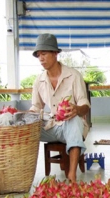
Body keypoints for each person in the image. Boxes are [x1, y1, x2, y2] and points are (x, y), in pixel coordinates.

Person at [30, 33, 90, 182]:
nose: (41, 58)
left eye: (44, 53)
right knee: (25, 128)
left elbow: (85, 105)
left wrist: (77, 109)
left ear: (55, 54)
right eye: (38, 55)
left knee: (75, 121)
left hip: (71, 126)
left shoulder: (74, 76)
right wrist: (24, 118)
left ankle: (72, 174)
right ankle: (21, 174)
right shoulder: (39, 81)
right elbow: (36, 108)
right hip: (51, 126)